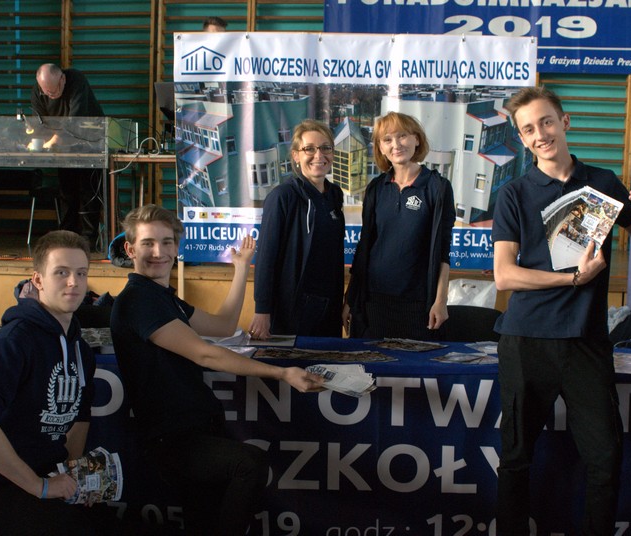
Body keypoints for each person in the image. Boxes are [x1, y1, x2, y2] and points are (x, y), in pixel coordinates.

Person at [492, 86, 631, 535]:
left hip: (586, 342)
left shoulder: (604, 183)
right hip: (527, 340)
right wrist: (573, 279)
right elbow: (505, 276)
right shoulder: (513, 193)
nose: (540, 134)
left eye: (546, 122)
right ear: (522, 138)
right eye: (528, 129)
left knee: (605, 458)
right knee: (516, 458)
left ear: (565, 121)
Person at [110, 204, 323, 535]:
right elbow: (205, 355)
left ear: (176, 247)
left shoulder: (163, 297)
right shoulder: (138, 299)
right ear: (130, 249)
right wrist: (282, 374)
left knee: (205, 519)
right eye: (148, 243)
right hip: (173, 438)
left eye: (167, 242)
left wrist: (241, 268)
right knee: (249, 464)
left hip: (197, 428)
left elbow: (223, 326)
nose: (159, 252)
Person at [0, 231, 119, 535]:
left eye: (81, 273)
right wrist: (39, 486)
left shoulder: (79, 348)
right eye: (61, 272)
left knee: (107, 523)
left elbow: (81, 416)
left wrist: (75, 478)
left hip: (45, 474)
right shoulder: (17, 340)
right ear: (38, 280)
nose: (73, 282)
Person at [343, 111, 455, 340]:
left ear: (417, 139)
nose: (396, 145)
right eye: (387, 139)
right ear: (381, 148)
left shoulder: (437, 187)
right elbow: (364, 248)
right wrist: (350, 300)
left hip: (417, 304)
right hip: (373, 302)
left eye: (402, 136)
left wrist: (441, 300)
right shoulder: (376, 188)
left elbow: (443, 250)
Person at [249, 119, 345, 339]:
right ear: (295, 155)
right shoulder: (282, 197)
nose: (319, 155)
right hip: (292, 309)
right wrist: (262, 310)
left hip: (329, 307)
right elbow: (266, 257)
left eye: (325, 148)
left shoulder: (334, 195)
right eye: (309, 149)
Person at [31, 63, 105, 248]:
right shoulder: (39, 90)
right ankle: (66, 238)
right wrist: (38, 139)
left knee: (89, 192)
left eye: (54, 91)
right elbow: (39, 121)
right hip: (62, 147)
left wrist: (54, 140)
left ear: (62, 79)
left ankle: (88, 240)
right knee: (66, 192)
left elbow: (75, 118)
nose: (51, 95)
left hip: (89, 141)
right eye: (46, 92)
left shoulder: (76, 80)